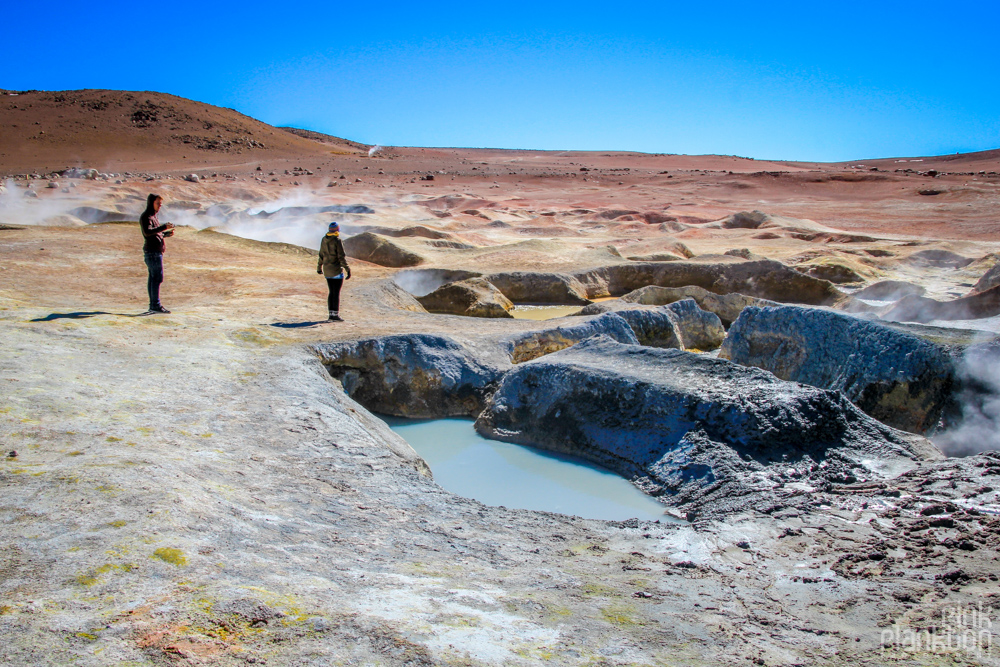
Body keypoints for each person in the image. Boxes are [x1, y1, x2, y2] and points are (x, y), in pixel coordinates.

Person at [139, 193, 174, 314]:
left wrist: (165, 234)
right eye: (158, 203)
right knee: (157, 278)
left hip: (155, 252)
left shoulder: (153, 217)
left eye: (161, 204)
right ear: (151, 203)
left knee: (154, 278)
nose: (160, 206)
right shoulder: (146, 217)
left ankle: (154, 305)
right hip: (152, 253)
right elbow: (148, 232)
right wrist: (163, 227)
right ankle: (155, 305)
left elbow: (154, 233)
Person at [317, 221, 351, 321]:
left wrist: (319, 267)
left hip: (327, 270)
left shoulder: (324, 239)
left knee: (331, 292)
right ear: (337, 230)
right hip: (336, 270)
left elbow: (321, 255)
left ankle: (331, 314)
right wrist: (347, 269)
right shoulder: (337, 240)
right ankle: (334, 315)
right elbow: (341, 256)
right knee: (336, 293)